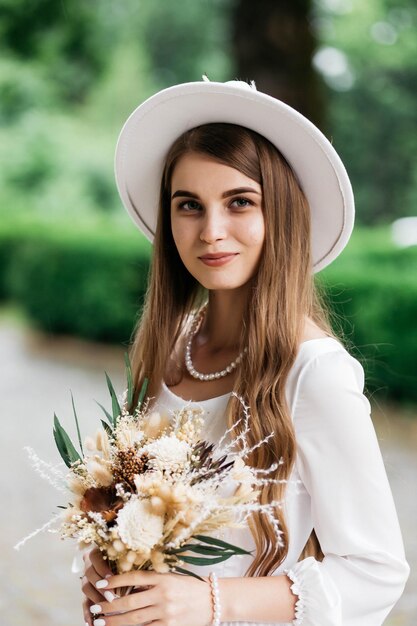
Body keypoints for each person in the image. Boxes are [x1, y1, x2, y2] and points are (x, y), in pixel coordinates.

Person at [81, 77, 410, 626]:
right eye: (189, 205)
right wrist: (106, 558)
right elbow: (138, 510)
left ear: (280, 215)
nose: (211, 231)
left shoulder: (314, 373)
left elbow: (376, 571)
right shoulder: (171, 344)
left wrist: (209, 602)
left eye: (240, 202)